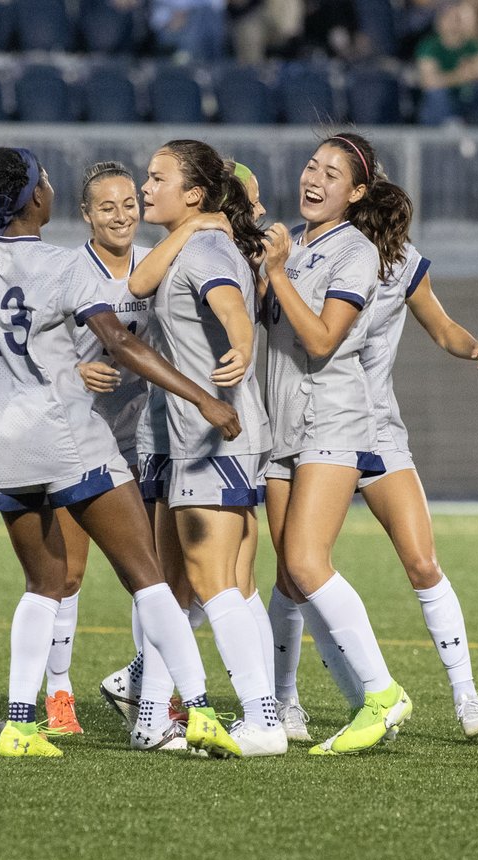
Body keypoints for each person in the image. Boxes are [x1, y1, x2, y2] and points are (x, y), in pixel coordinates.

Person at [0, 146, 246, 760]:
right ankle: (198, 711)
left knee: (42, 584)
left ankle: (18, 722)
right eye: (44, 180)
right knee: (148, 578)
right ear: (34, 199)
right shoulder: (63, 265)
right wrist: (206, 399)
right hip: (70, 439)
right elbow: (119, 342)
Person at [268, 236, 478, 740]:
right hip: (308, 426)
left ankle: (466, 695)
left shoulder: (397, 258)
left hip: (374, 429)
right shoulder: (302, 249)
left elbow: (441, 328)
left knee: (421, 562)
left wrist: (475, 346)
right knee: (295, 573)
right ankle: (287, 702)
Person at [102, 140, 285, 758]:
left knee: (214, 581)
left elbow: (232, 306)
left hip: (215, 436)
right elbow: (139, 280)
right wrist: (195, 223)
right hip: (180, 436)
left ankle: (264, 719)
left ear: (195, 192)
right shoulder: (188, 239)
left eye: (158, 178)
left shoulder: (208, 246)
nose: (144, 187)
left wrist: (242, 344)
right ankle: (152, 717)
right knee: (167, 585)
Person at [260, 131, 414, 755]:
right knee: (289, 575)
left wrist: (273, 272)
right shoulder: (292, 244)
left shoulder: (355, 251)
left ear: (355, 194)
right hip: (279, 425)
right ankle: (296, 705)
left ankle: (382, 695)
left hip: (331, 418)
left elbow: (323, 341)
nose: (314, 178)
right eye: (310, 165)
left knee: (304, 562)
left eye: (332, 173)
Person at [37, 160, 154, 738]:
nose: (120, 216)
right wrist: (75, 370)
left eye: (129, 203)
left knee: (149, 575)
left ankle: (146, 690)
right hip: (76, 438)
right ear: (85, 215)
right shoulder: (62, 271)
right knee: (69, 572)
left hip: (145, 439)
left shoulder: (157, 264)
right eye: (106, 207)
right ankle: (58, 694)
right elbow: (29, 354)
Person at [415, 0, 478, 128]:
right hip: (446, 105)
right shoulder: (429, 46)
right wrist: (461, 75)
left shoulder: (473, 45)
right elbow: (429, 82)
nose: (456, 24)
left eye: (459, 18)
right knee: (436, 94)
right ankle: (449, 129)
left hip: (469, 101)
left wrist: (472, 70)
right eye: (451, 18)